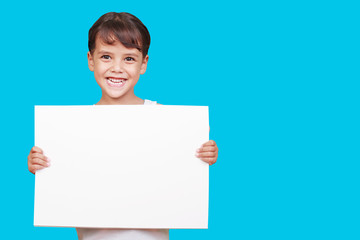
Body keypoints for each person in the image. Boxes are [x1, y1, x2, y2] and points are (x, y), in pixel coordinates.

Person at [27, 12, 219, 240]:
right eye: (106, 57)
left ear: (143, 64)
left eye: (128, 58)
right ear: (91, 60)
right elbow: (62, 184)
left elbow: (184, 175)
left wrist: (204, 154)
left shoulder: (165, 121)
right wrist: (41, 165)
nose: (117, 68)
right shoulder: (71, 129)